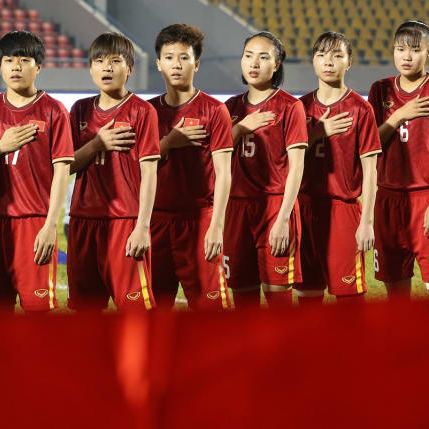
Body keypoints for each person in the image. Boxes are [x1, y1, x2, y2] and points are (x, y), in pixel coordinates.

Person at [0, 31, 73, 313]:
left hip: (34, 222)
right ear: (0, 65)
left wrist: (50, 226)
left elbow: (62, 172)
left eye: (24, 60)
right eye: (9, 60)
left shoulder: (54, 111)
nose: (16, 67)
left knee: (37, 311)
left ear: (38, 67)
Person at [67, 32, 160, 311]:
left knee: (134, 311)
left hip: (125, 222)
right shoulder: (80, 110)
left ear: (129, 68)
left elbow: (150, 174)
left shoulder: (142, 111)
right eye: (99, 61)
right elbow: (66, 166)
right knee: (85, 312)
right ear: (90, 68)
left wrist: (142, 227)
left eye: (115, 61)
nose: (107, 67)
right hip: (83, 220)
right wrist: (97, 144)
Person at [148, 24, 233, 310]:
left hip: (199, 221)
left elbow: (224, 173)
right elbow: (134, 169)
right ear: (158, 63)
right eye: (169, 57)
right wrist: (169, 142)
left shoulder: (214, 110)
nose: (176, 64)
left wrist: (216, 227)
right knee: (153, 313)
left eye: (184, 57)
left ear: (196, 64)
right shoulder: (147, 112)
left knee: (211, 312)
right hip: (155, 222)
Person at [295, 32, 381, 306]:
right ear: (313, 61)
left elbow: (371, 171)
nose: (328, 62)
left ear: (349, 62)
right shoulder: (299, 108)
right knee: (308, 294)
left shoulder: (361, 109)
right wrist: (317, 133)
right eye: (321, 55)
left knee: (349, 298)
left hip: (343, 210)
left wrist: (366, 222)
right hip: (304, 208)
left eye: (337, 55)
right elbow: (282, 163)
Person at [223, 31, 307, 309]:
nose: (254, 63)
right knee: (242, 299)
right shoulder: (230, 107)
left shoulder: (290, 106)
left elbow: (297, 167)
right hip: (236, 210)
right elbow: (214, 158)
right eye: (248, 56)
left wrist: (283, 219)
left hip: (274, 207)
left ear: (277, 64)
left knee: (278, 301)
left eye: (263, 57)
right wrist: (241, 128)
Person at [368, 20, 429, 300]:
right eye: (400, 49)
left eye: (415, 50)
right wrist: (398, 116)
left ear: (427, 53)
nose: (407, 56)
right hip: (388, 200)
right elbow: (369, 146)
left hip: (425, 199)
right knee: (396, 294)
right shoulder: (380, 90)